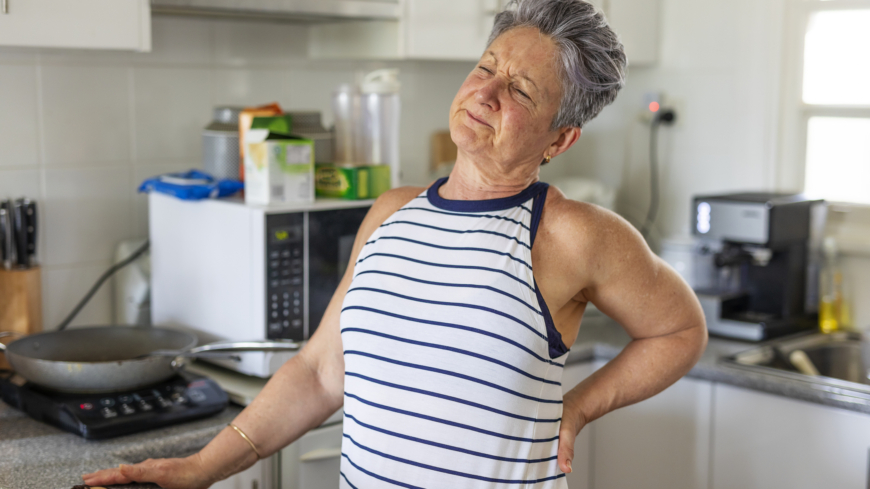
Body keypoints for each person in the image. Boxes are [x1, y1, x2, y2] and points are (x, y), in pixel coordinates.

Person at [83, 0, 706, 487]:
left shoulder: (573, 234)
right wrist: (202, 467)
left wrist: (577, 408)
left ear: (559, 139)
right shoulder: (390, 212)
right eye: (487, 67)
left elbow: (680, 330)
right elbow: (320, 370)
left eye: (521, 91)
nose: (486, 92)